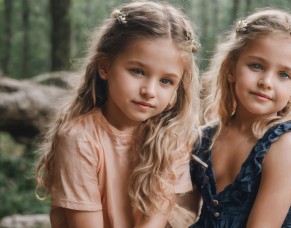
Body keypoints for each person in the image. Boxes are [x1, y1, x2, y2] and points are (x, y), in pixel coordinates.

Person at [35, 1, 200, 227]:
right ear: (105, 66)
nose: (149, 91)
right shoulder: (80, 139)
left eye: (165, 81)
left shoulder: (171, 138)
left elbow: (154, 223)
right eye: (137, 71)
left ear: (176, 90)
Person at [189, 8, 291, 228]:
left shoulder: (286, 145)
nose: (267, 81)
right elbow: (184, 212)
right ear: (231, 68)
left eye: (283, 75)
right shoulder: (205, 138)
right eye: (256, 66)